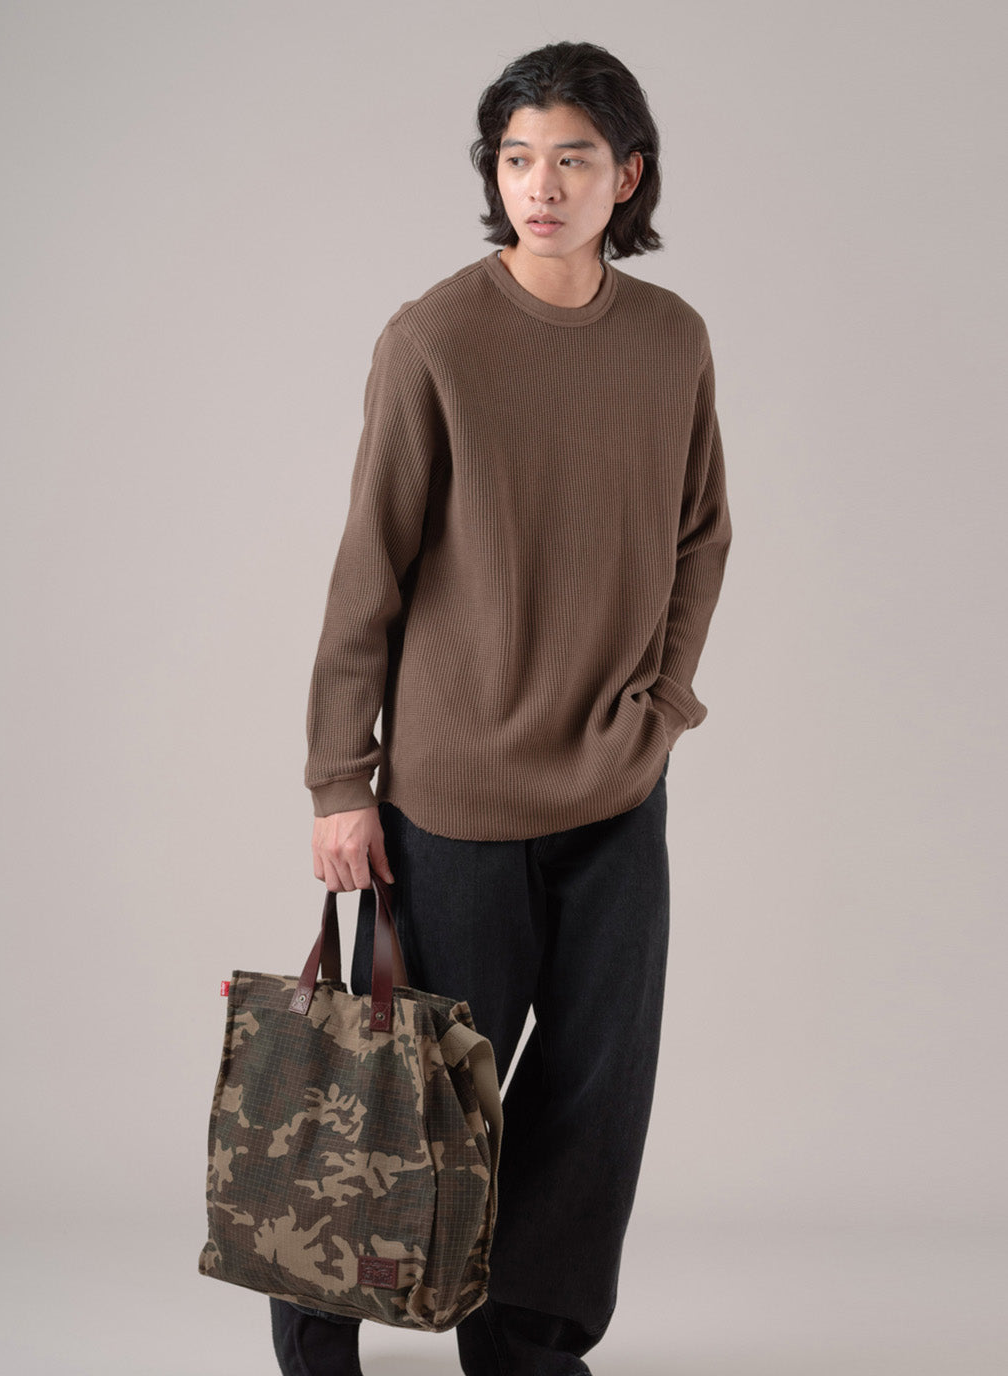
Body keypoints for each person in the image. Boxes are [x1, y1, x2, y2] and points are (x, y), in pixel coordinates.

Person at [271, 38, 732, 1376]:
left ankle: (527, 1351)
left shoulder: (672, 338)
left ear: (626, 176)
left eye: (572, 159)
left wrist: (663, 704)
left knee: (594, 1096)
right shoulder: (435, 338)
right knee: (406, 1099)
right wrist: (340, 779)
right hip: (454, 793)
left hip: (618, 782)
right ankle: (316, 1342)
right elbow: (370, 567)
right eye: (517, 158)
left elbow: (701, 534)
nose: (541, 184)